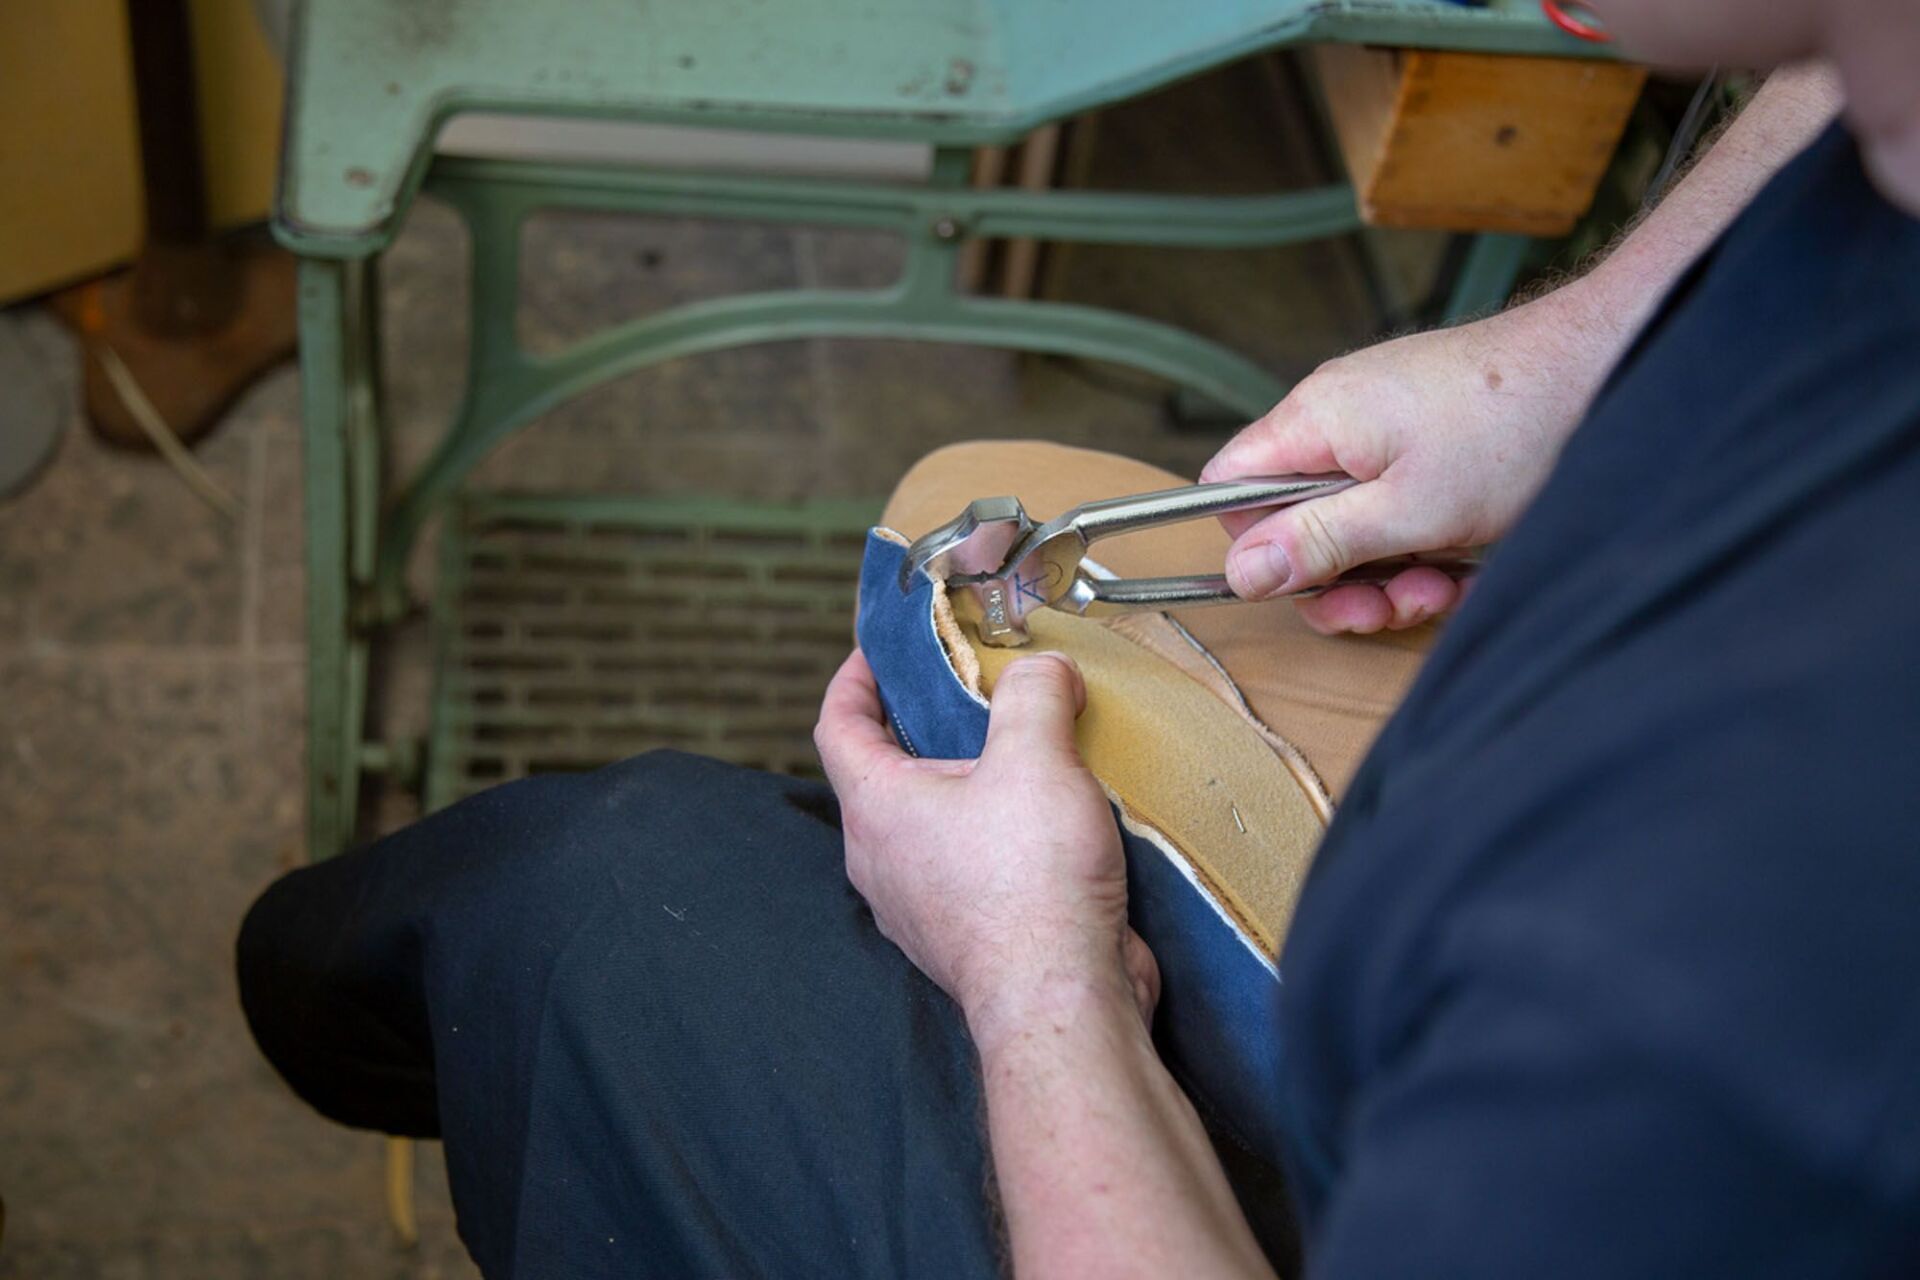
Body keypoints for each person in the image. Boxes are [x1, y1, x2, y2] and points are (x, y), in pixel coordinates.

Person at [238, 0, 1920, 1273]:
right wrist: (1587, 355)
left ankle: (384, 1028)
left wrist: (1041, 981)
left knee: (591, 899)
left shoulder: (1750, 1011)